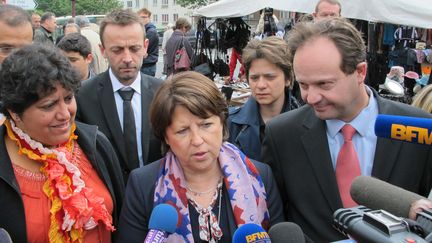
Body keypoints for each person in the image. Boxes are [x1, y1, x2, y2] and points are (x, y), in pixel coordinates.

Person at [261, 18, 432, 242]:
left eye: (324, 84)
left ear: (360, 72)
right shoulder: (282, 134)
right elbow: (276, 217)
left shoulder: (416, 127)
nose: (310, 98)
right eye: (303, 85)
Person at [115, 71, 284, 242]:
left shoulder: (259, 176)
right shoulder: (143, 185)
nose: (197, 140)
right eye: (182, 131)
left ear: (222, 123)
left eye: (206, 125)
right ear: (166, 137)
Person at [0, 44, 125, 243]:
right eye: (49, 105)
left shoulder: (95, 143)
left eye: (68, 98)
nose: (65, 114)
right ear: (15, 113)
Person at [76, 9, 163, 182]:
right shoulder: (82, 96)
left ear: (145, 46)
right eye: (117, 50)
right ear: (103, 50)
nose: (127, 58)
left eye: (134, 48)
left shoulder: (163, 92)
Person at [228, 37, 300, 160]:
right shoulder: (230, 124)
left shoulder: (307, 124)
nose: (261, 85)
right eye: (254, 78)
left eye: (270, 77)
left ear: (288, 78)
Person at [137, 8, 159, 77]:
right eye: (140, 17)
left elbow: (142, 49)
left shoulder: (151, 31)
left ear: (149, 18)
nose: (142, 19)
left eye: (144, 17)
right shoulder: (144, 29)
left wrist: (140, 51)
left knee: (147, 86)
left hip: (148, 65)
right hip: (145, 64)